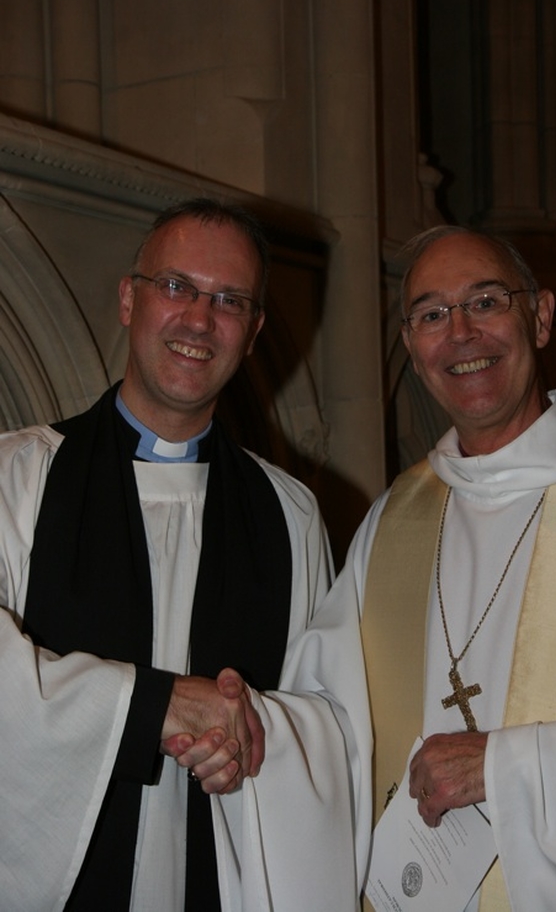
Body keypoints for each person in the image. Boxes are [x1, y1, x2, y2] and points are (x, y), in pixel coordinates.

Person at [0, 197, 370, 912]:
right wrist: (154, 705)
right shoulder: (19, 477)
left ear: (255, 331)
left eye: (229, 300)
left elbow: (331, 717)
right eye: (176, 286)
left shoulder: (288, 513)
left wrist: (251, 731)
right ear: (128, 299)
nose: (199, 319)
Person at [334, 225, 556, 910]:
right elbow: (329, 710)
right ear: (412, 350)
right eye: (433, 314)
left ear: (541, 316)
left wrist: (504, 767)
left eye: (486, 301)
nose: (462, 332)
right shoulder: (392, 518)